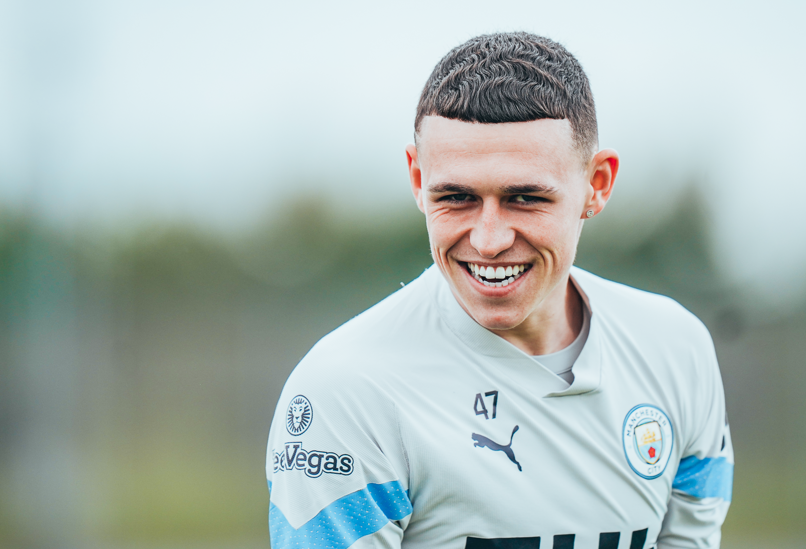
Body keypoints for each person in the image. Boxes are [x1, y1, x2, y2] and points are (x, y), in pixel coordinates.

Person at [267, 32, 733, 549]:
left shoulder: (675, 350)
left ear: (597, 184)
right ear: (418, 179)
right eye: (457, 197)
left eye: (525, 198)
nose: (489, 240)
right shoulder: (348, 389)